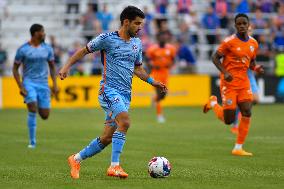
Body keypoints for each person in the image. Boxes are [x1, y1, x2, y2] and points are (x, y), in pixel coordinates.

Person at [58, 6, 167, 179]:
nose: (140, 28)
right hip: (108, 90)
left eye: (141, 24)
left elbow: (138, 69)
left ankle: (76, 158)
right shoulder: (106, 39)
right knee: (125, 122)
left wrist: (153, 82)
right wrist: (66, 67)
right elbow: (83, 50)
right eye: (137, 24)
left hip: (125, 94)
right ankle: (114, 166)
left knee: (107, 137)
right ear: (126, 22)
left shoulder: (136, 43)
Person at [203, 13, 264, 156]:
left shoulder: (253, 43)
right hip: (229, 83)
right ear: (235, 26)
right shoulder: (229, 42)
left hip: (243, 83)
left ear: (248, 25)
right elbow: (215, 57)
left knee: (247, 111)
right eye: (239, 24)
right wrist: (225, 72)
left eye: (244, 23)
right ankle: (213, 103)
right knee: (228, 120)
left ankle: (238, 147)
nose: (242, 26)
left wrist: (257, 68)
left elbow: (251, 62)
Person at [12, 24, 58, 148]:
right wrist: (21, 86)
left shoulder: (48, 49)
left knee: (44, 115)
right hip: (29, 82)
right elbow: (15, 69)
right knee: (32, 108)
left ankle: (37, 103)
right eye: (42, 32)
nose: (44, 34)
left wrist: (54, 84)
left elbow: (52, 67)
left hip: (43, 84)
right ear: (35, 33)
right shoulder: (23, 49)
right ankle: (32, 142)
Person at [146, 31, 176, 123]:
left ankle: (154, 99)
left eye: (165, 37)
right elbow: (147, 60)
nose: (164, 38)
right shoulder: (152, 49)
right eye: (162, 37)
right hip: (156, 73)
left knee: (163, 95)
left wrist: (169, 65)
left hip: (165, 73)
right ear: (158, 38)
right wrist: (152, 66)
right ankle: (159, 115)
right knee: (159, 93)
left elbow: (173, 60)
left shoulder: (171, 49)